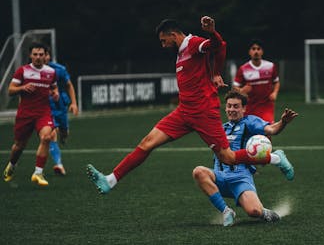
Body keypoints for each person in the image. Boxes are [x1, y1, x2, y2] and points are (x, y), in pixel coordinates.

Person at [86, 16, 294, 195]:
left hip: (204, 111)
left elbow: (218, 46)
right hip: (184, 112)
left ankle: (275, 158)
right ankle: (110, 180)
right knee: (147, 143)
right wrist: (213, 72)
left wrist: (212, 34)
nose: (163, 44)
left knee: (228, 157)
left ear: (172, 34)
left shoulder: (192, 43)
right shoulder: (180, 52)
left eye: (163, 40)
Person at [193, 90, 297, 227]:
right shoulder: (220, 129)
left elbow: (271, 130)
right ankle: (226, 211)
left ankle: (264, 212)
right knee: (199, 172)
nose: (232, 109)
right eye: (229, 106)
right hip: (220, 176)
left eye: (236, 106)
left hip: (240, 178)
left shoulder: (249, 122)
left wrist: (283, 122)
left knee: (253, 211)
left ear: (243, 108)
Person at [3, 42, 59, 186]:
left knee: (46, 137)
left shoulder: (51, 72)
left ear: (45, 56)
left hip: (43, 112)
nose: (38, 57)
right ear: (30, 55)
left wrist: (55, 93)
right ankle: (12, 165)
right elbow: (10, 90)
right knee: (18, 146)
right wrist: (23, 87)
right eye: (35, 54)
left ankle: (38, 173)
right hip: (25, 114)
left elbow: (53, 87)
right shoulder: (23, 71)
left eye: (41, 54)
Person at [45, 50, 79, 175]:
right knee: (51, 133)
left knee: (64, 132)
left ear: (48, 55)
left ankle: (63, 137)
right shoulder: (32, 72)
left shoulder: (59, 69)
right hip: (45, 106)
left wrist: (74, 103)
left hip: (60, 105)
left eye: (45, 54)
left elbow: (69, 85)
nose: (43, 57)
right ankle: (59, 164)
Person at [233, 39, 280, 124]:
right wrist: (242, 91)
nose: (256, 51)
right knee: (251, 133)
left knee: (268, 130)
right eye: (253, 49)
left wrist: (275, 93)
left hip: (266, 106)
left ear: (262, 51)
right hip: (250, 107)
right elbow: (235, 87)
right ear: (249, 52)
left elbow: (276, 82)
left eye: (258, 49)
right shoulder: (243, 69)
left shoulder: (270, 66)